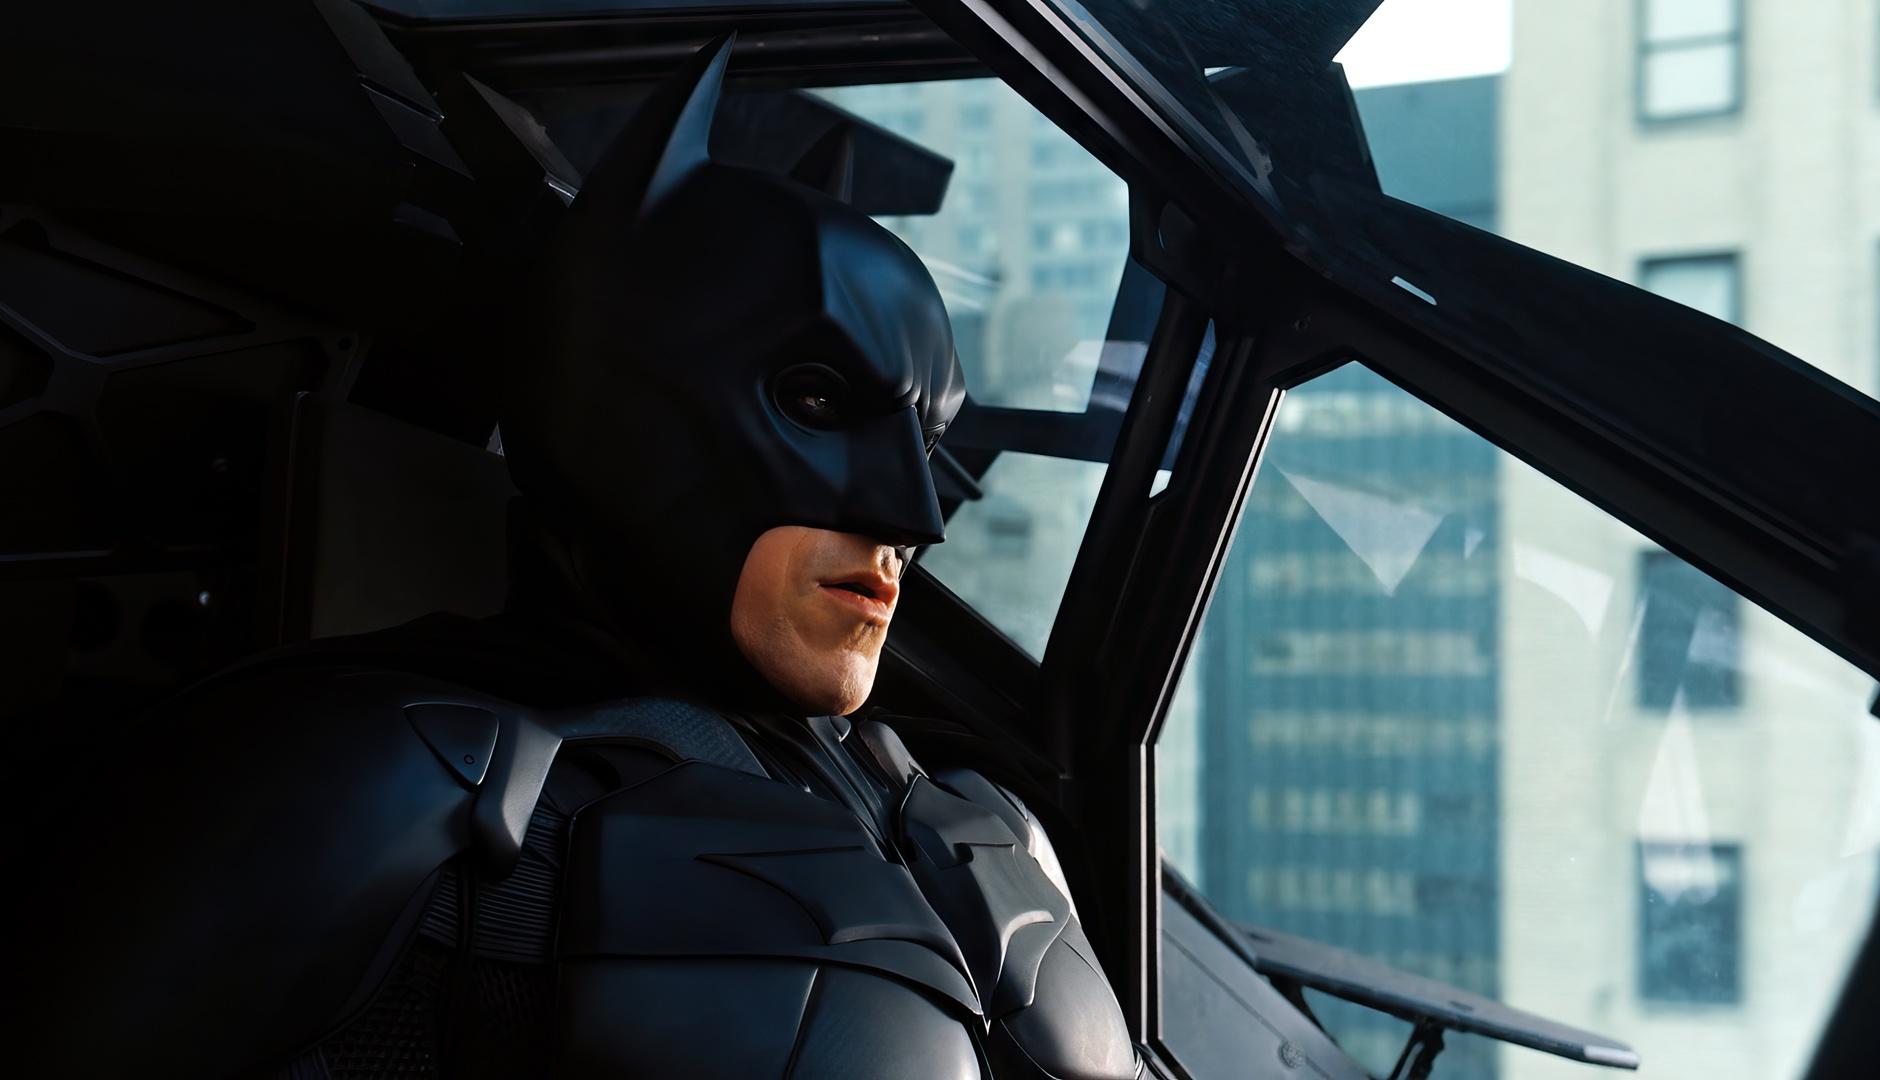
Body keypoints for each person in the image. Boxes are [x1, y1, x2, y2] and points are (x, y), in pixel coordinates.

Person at [22, 36, 1138, 1080]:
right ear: (627, 408)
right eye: (816, 402)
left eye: (925, 440)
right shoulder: (380, 788)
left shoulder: (983, 823)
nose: (913, 513)